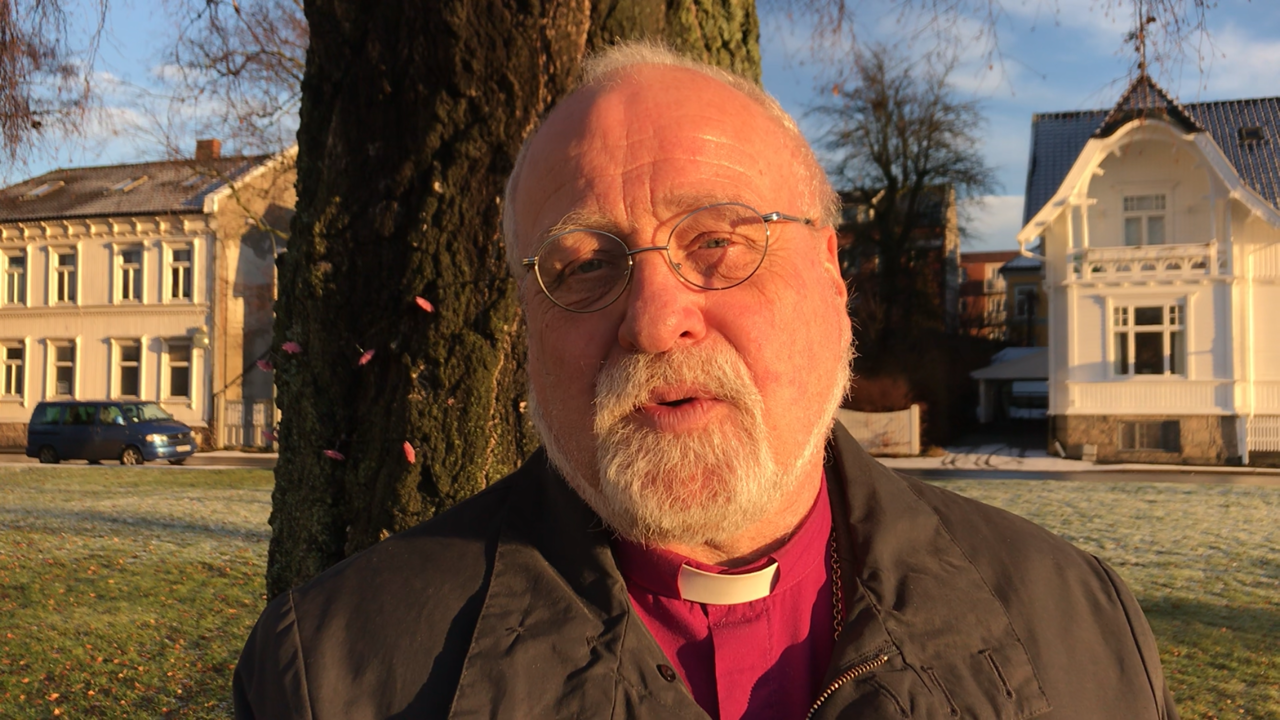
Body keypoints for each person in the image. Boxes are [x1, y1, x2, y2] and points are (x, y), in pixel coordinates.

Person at [234, 43, 1178, 720]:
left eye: (717, 242)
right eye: (582, 266)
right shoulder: (335, 672)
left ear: (833, 276)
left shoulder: (1082, 631)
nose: (654, 319)